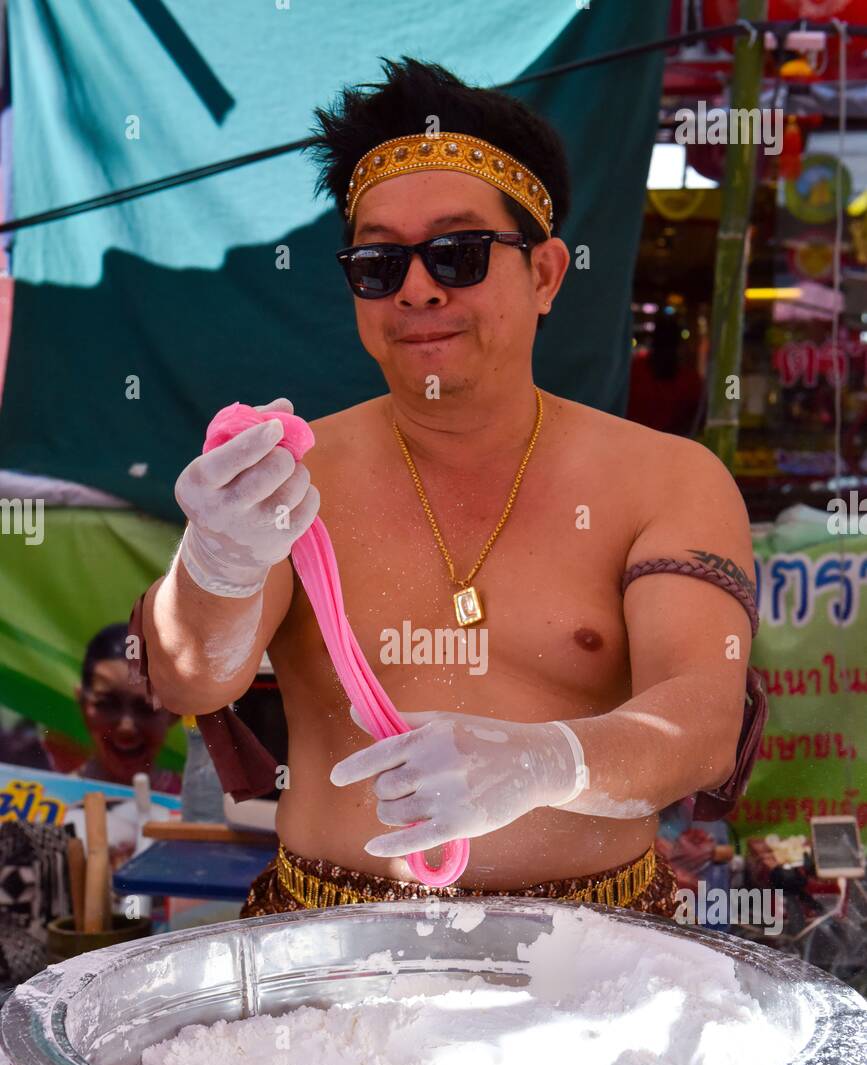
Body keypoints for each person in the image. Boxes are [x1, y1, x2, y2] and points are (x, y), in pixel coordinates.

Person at [137, 58, 763, 920]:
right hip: (326, 945)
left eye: (458, 253)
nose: (419, 288)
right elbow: (188, 682)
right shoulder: (293, 474)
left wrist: (550, 760)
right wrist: (215, 566)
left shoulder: (664, 478)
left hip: (592, 951)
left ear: (543, 273)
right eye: (378, 263)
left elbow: (699, 722)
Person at [75, 623, 180, 792]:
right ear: (81, 700)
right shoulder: (40, 806)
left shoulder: (198, 811)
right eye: (107, 705)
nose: (126, 727)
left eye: (146, 708)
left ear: (175, 713)